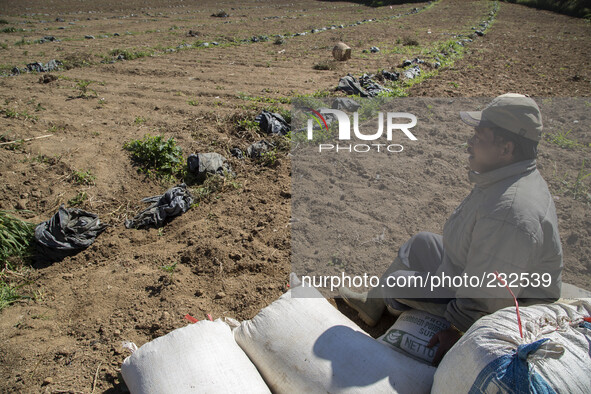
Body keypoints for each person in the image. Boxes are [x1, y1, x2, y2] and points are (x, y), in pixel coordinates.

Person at [339, 93, 563, 365]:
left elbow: (489, 297)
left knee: (397, 282)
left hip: (502, 306)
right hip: (471, 271)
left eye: (479, 136)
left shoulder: (509, 213)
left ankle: (394, 306)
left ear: (506, 148)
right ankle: (372, 305)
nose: (470, 142)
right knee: (421, 243)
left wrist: (457, 330)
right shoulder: (507, 178)